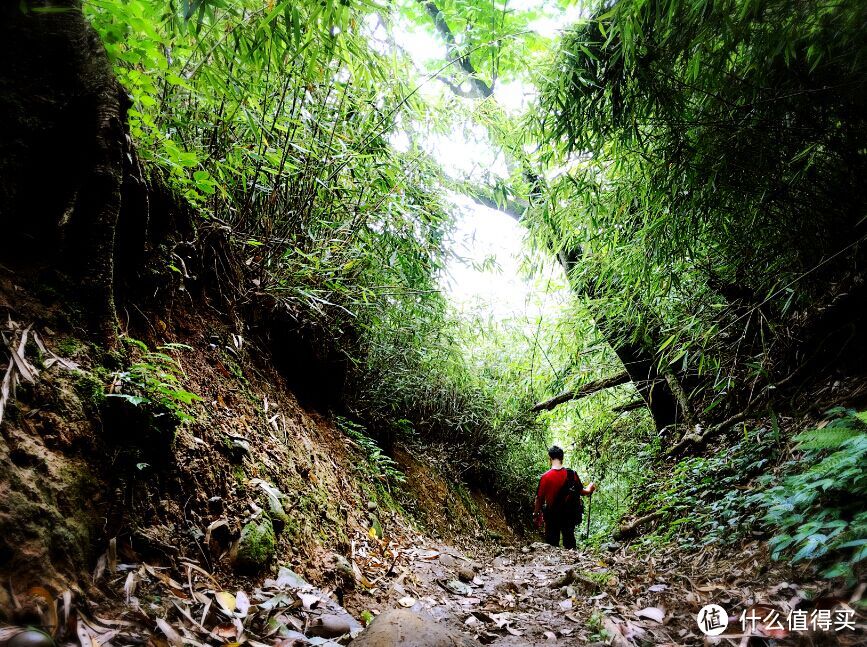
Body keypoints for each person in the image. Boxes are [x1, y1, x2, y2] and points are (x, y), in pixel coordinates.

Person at [533, 445, 596, 549]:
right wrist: (590, 488)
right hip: (569, 515)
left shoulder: (545, 477)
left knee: (552, 546)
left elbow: (539, 498)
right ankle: (573, 563)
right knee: (570, 543)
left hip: (552, 515)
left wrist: (536, 514)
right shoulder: (572, 474)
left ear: (550, 458)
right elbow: (582, 491)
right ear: (562, 458)